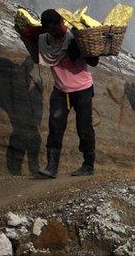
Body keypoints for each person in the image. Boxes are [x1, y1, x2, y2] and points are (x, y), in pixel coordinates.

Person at [22, 9, 99, 178]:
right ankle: (51, 166)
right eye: (48, 30)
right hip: (60, 90)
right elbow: (27, 31)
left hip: (83, 89)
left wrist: (78, 45)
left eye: (54, 28)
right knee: (55, 126)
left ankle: (88, 165)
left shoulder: (75, 39)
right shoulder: (46, 40)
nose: (52, 33)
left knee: (84, 127)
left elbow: (94, 61)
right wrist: (43, 30)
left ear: (61, 23)